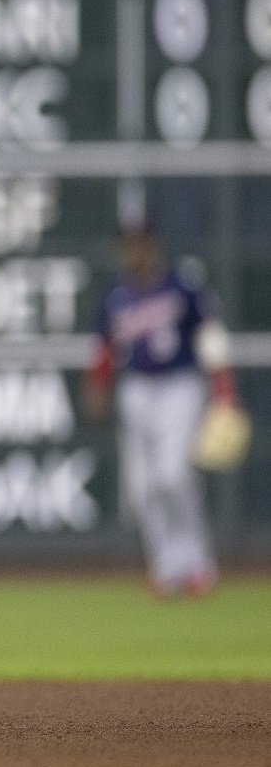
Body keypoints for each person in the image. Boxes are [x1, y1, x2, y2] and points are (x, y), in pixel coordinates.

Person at [83, 225, 241, 597]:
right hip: (136, 389)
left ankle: (198, 564)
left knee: (173, 475)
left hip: (179, 385)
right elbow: (103, 348)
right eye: (128, 245)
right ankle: (168, 568)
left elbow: (211, 339)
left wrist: (223, 392)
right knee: (143, 488)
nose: (134, 251)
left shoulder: (182, 287)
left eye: (140, 244)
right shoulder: (116, 295)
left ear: (154, 246)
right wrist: (96, 386)